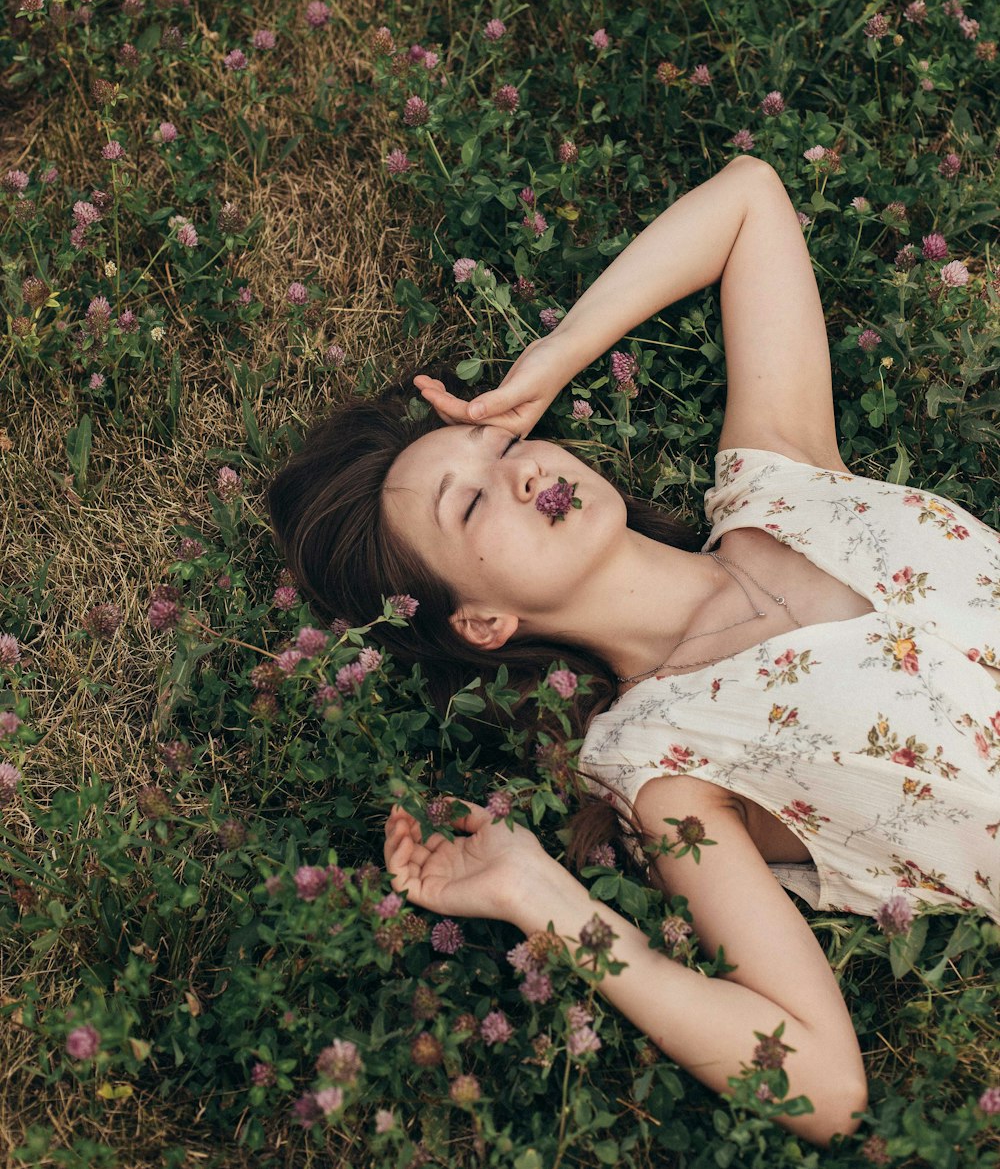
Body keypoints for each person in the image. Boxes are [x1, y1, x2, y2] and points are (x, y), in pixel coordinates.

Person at [267, 156, 1000, 1148]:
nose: (522, 471)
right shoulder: (662, 763)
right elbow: (824, 1081)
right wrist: (540, 896)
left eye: (502, 442)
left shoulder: (778, 478)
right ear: (482, 621)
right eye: (472, 500)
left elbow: (750, 200)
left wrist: (550, 360)